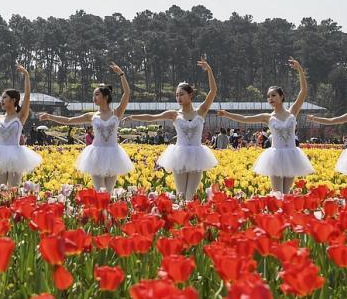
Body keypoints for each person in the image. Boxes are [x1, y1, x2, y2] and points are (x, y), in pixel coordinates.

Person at [127, 57, 219, 200]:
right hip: (179, 155)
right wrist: (133, 117)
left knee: (190, 195)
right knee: (181, 195)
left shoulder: (201, 111)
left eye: (181, 94)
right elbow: (152, 118)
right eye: (176, 95)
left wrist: (209, 70)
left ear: (190, 95)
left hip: (197, 155)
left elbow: (213, 91)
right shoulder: (174, 114)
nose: (178, 97)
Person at [218, 58, 313, 195]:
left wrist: (299, 69)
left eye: (273, 95)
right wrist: (227, 114)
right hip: (275, 155)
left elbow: (303, 92)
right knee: (277, 193)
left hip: (293, 155)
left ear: (282, 97)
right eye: (268, 97)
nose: (270, 99)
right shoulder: (268, 117)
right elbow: (245, 119)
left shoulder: (293, 111)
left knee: (286, 194)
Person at [39, 63, 133, 193]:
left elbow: (127, 94)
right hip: (96, 154)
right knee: (99, 190)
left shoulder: (116, 113)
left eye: (97, 94)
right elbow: (69, 121)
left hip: (113, 155)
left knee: (108, 193)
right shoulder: (91, 116)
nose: (94, 97)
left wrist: (121, 74)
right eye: (94, 95)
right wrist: (50, 117)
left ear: (106, 97)